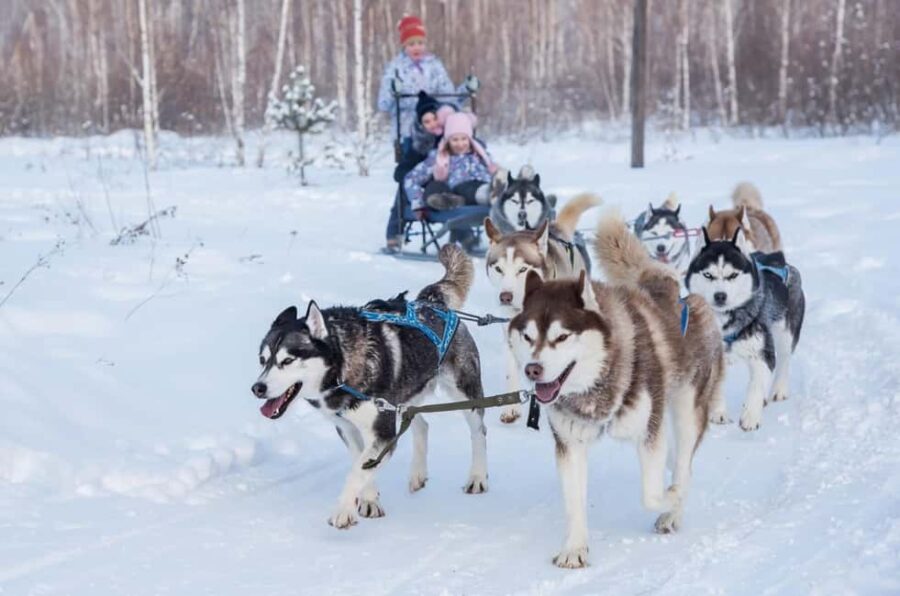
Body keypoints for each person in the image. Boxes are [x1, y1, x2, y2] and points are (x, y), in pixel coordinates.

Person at [377, 15, 479, 151]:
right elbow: (383, 104)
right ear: (404, 45)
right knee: (412, 161)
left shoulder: (434, 65)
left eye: (420, 43)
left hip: (436, 129)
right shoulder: (395, 68)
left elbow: (449, 98)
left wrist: (466, 88)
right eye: (411, 44)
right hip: (407, 132)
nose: (416, 48)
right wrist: (393, 90)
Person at [403, 111, 498, 250]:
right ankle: (489, 195)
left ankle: (498, 195)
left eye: (464, 139)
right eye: (455, 140)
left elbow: (494, 171)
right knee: (465, 189)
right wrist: (418, 203)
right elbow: (411, 178)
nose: (460, 144)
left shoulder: (480, 156)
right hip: (459, 192)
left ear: (470, 139)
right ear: (447, 140)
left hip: (485, 187)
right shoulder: (439, 158)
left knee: (493, 184)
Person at [384, 92, 455, 253]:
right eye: (427, 122)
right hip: (424, 181)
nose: (432, 124)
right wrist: (408, 174)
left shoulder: (452, 135)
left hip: (449, 178)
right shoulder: (419, 142)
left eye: (434, 119)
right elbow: (405, 166)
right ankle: (394, 233)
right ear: (421, 124)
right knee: (403, 187)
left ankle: (465, 233)